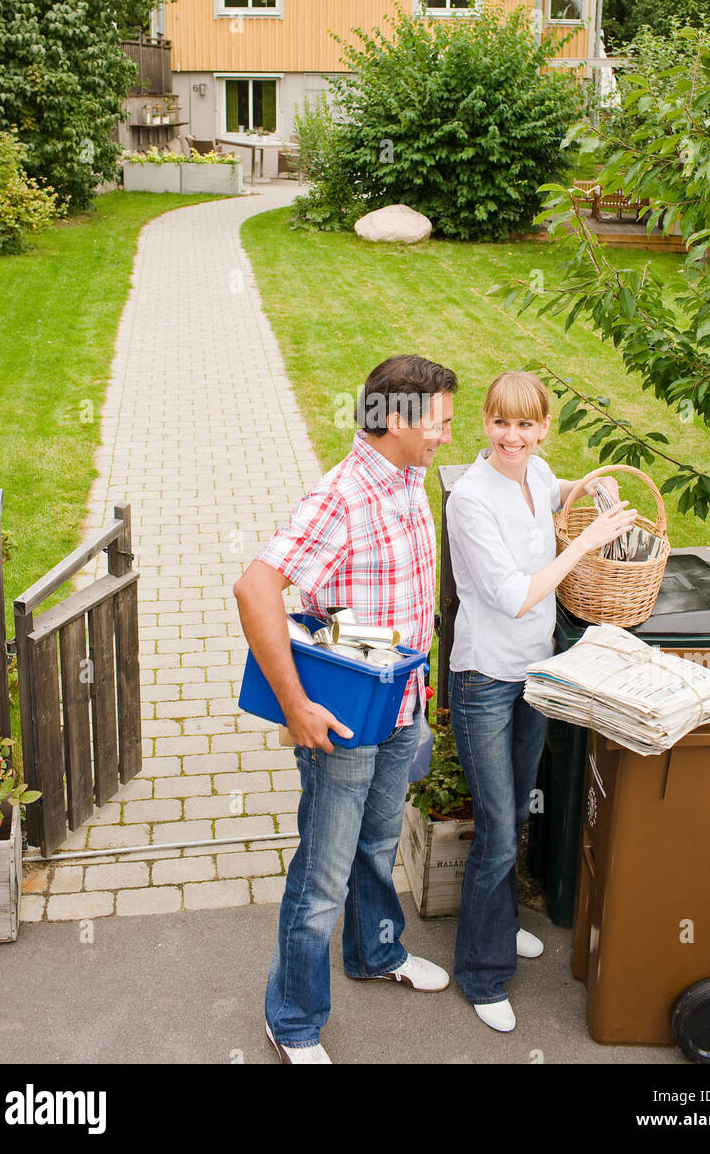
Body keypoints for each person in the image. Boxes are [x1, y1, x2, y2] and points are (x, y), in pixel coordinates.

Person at [233, 354, 458, 1065]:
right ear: (397, 421)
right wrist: (297, 705)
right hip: (345, 720)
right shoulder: (345, 495)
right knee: (322, 878)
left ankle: (375, 952)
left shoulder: (407, 478)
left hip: (400, 708)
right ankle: (293, 1019)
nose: (446, 435)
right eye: (441, 422)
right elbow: (254, 588)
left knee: (376, 845)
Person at [445, 370, 637, 1034]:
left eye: (526, 425)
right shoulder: (469, 499)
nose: (513, 436)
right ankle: (481, 972)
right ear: (485, 422)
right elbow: (515, 595)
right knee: (498, 830)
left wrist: (587, 491)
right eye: (501, 422)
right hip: (485, 680)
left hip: (535, 673)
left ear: (544, 428)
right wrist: (584, 542)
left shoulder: (535, 472)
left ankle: (495, 926)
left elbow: (550, 490)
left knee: (514, 817)